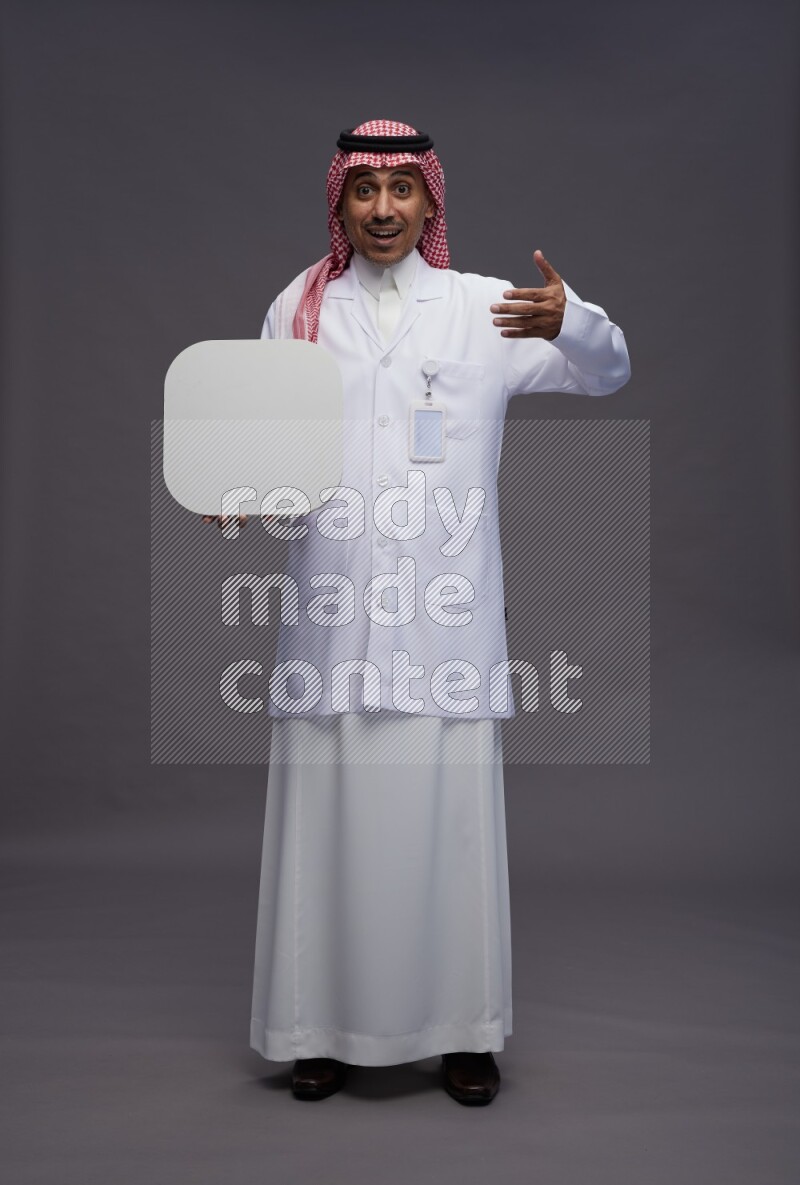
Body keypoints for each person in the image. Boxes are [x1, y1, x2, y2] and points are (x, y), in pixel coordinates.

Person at [244, 119, 631, 1104]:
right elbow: (267, 457)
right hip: (331, 616)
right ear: (337, 201)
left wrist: (569, 322)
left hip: (444, 626)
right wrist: (237, 491)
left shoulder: (481, 308)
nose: (381, 209)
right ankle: (314, 1029)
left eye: (399, 190)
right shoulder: (299, 307)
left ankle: (463, 1032)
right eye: (362, 189)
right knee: (323, 828)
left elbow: (607, 371)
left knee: (449, 831)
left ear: (430, 202)